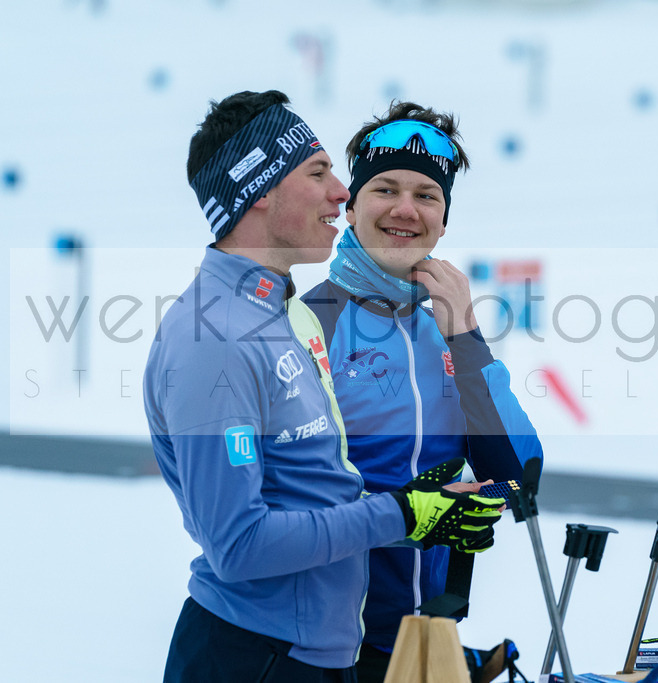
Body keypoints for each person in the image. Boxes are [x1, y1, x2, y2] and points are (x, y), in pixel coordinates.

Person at [143, 90, 504, 683]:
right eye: (319, 173)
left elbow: (320, 489)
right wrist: (402, 514)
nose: (341, 192)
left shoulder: (279, 315)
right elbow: (239, 546)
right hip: (257, 654)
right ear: (259, 191)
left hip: (322, 652)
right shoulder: (217, 339)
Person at [302, 101, 543, 682]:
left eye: (426, 195)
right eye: (385, 189)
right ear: (352, 204)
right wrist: (407, 512)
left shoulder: (447, 326)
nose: (405, 210)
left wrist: (465, 336)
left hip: (425, 639)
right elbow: (285, 497)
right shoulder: (311, 323)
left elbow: (518, 471)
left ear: (443, 219)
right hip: (325, 645)